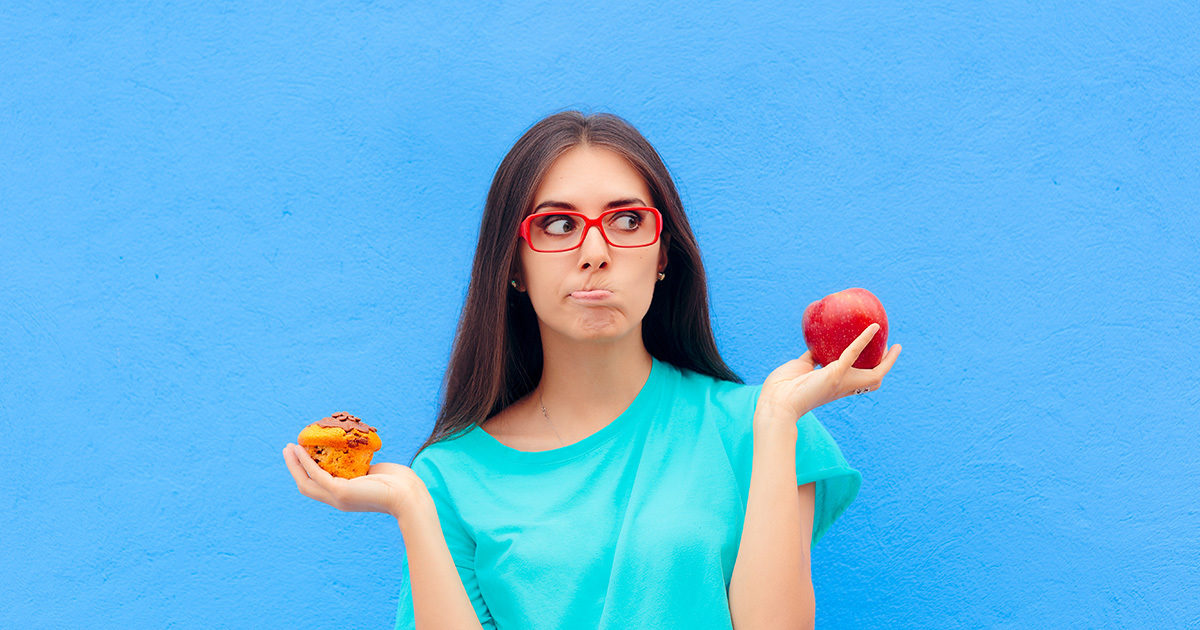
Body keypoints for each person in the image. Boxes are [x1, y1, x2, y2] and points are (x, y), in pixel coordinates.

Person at [283, 110, 901, 630]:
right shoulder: (450, 477)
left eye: (628, 220)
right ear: (514, 266)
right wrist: (413, 508)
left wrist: (776, 422)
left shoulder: (758, 426)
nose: (596, 253)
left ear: (664, 256)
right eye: (558, 224)